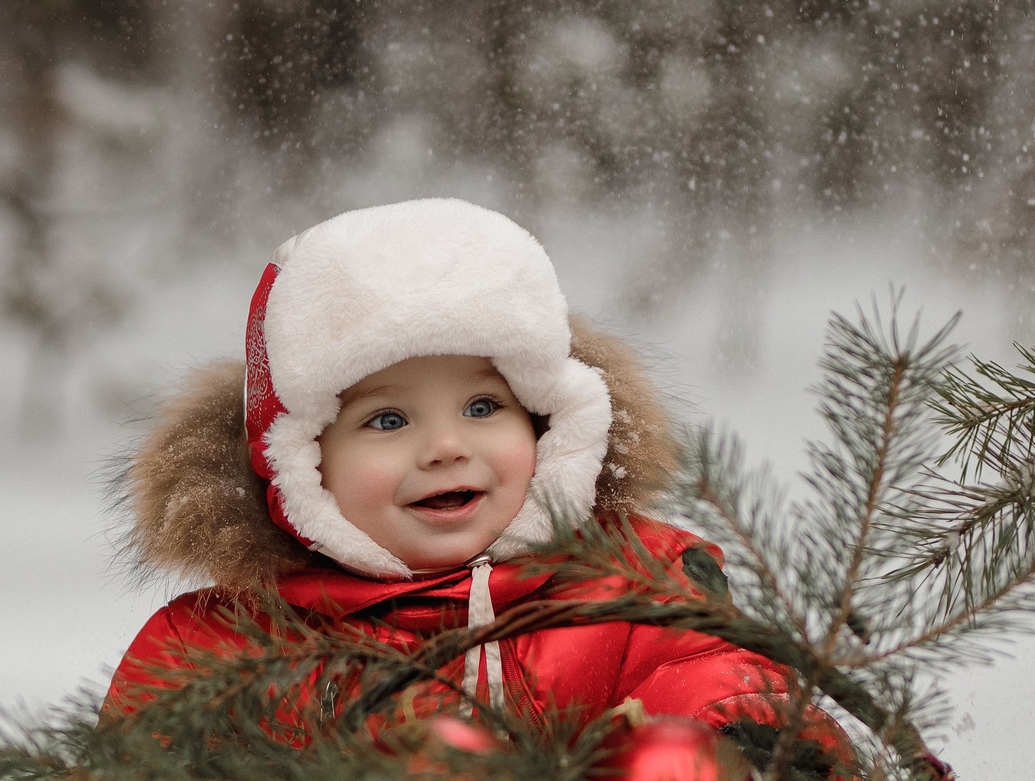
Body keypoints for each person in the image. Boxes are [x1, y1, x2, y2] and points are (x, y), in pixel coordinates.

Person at [108, 197, 807, 730]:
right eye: (387, 419)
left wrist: (722, 756)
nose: (446, 447)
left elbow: (730, 694)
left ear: (548, 422)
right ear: (302, 465)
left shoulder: (638, 592)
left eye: (482, 407)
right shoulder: (220, 644)